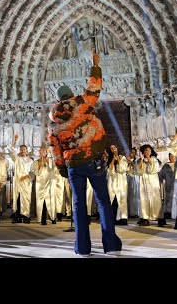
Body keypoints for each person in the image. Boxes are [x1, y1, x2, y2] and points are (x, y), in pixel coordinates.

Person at [48, 49, 122, 257]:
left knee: (79, 205)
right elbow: (94, 87)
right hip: (93, 158)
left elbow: (55, 150)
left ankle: (82, 248)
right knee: (102, 201)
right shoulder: (81, 104)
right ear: (70, 95)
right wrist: (95, 63)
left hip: (73, 166)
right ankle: (111, 245)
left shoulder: (53, 124)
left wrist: (64, 169)